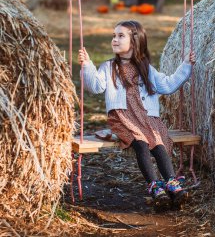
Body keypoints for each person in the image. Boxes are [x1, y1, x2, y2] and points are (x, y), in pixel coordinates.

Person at [78, 20, 195, 206]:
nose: (114, 39)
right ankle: (155, 186)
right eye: (113, 36)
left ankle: (172, 182)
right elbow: (95, 86)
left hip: (147, 117)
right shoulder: (109, 67)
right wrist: (87, 65)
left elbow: (168, 85)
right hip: (123, 117)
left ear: (135, 42)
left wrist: (186, 65)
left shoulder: (146, 69)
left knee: (158, 143)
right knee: (140, 143)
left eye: (120, 36)